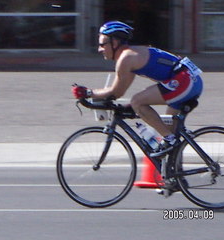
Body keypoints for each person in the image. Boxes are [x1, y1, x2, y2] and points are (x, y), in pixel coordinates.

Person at [71, 21, 203, 155]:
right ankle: (174, 171)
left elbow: (116, 92)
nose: (99, 49)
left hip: (183, 82)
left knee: (137, 102)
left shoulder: (126, 59)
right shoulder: (132, 54)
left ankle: (170, 140)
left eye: (102, 44)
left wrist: (87, 93)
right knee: (168, 133)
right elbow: (119, 90)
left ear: (114, 43)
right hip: (189, 80)